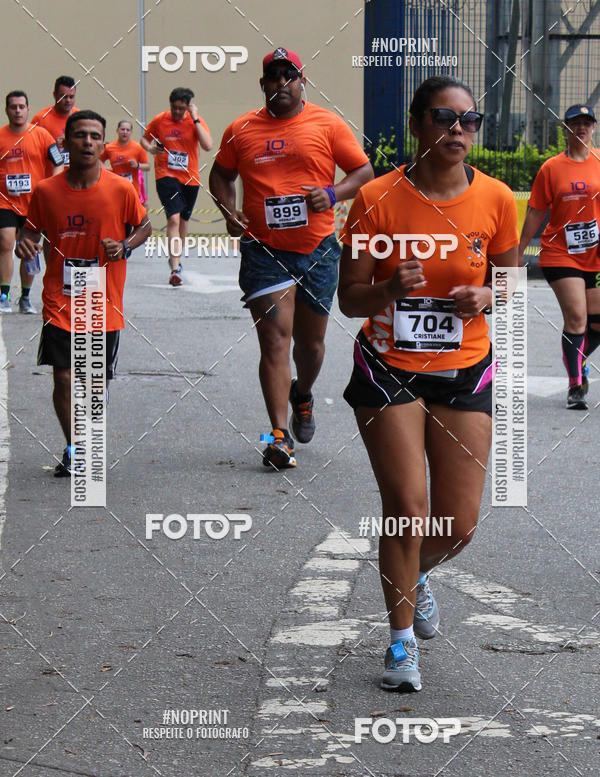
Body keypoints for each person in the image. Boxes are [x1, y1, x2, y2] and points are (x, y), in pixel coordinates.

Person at [338, 75, 518, 691]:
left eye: (471, 121)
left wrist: (488, 294)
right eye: (445, 118)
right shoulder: (379, 200)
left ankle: (411, 576)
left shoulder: (496, 199)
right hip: (388, 368)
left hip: (464, 365)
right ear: (417, 125)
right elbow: (348, 297)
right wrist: (388, 289)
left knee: (458, 522)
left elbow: (513, 281)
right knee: (408, 510)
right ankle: (399, 643)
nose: (459, 131)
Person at [209, 47, 373, 468]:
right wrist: (230, 212)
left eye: (290, 75)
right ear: (263, 84)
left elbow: (363, 171)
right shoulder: (241, 129)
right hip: (263, 249)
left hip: (317, 248)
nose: (282, 83)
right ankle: (277, 435)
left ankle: (303, 394)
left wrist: (333, 193)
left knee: (311, 344)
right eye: (274, 76)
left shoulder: (327, 123)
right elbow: (221, 174)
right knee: (274, 339)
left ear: (303, 82)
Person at [16, 110, 151, 476]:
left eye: (95, 136)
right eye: (80, 136)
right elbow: (30, 231)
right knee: (63, 377)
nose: (88, 142)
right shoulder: (45, 191)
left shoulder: (119, 188)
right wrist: (24, 245)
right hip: (60, 297)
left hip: (102, 298)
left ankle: (86, 438)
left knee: (93, 382)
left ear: (102, 144)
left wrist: (124, 246)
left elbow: (144, 226)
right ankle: (75, 448)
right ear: (66, 143)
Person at [519, 104, 600, 409]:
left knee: (597, 324)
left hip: (596, 254)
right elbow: (536, 212)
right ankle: (575, 385)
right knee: (577, 317)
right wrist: (517, 252)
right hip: (560, 252)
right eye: (575, 124)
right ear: (564, 130)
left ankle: (576, 361)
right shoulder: (551, 168)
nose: (581, 128)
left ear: (593, 128)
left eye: (586, 123)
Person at [0, 91, 63, 313]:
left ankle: (25, 297)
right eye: (13, 107)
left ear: (28, 109)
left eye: (21, 106)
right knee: (5, 242)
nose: (17, 110)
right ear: (6, 110)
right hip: (5, 202)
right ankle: (4, 294)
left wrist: (52, 185)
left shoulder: (42, 135)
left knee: (30, 249)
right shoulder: (0, 136)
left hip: (34, 204)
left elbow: (58, 162)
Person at [141, 87, 212, 286]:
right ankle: (175, 267)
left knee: (183, 221)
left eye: (182, 109)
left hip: (190, 178)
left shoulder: (194, 120)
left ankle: (176, 258)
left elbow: (208, 145)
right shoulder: (160, 120)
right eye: (174, 108)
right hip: (166, 175)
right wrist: (150, 148)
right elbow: (144, 139)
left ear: (188, 107)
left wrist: (195, 118)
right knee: (173, 218)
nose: (177, 112)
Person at [31, 75, 79, 166]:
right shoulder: (40, 119)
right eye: (64, 97)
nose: (68, 100)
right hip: (51, 175)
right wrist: (52, 145)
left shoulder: (81, 118)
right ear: (54, 95)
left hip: (75, 176)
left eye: (71, 97)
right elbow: (32, 151)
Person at [102, 120, 150, 203]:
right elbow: (99, 160)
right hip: (115, 189)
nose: (125, 132)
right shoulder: (109, 148)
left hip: (132, 189)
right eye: (122, 129)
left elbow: (148, 166)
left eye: (127, 130)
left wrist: (137, 165)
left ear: (131, 132)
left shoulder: (138, 147)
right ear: (117, 130)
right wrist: (105, 168)